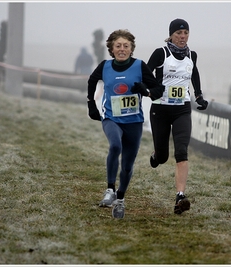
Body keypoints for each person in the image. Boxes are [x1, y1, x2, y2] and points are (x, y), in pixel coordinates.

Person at [87, 29, 164, 219]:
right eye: (118, 46)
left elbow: (158, 90)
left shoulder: (139, 66)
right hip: (111, 118)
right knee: (115, 145)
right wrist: (91, 104)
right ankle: (110, 189)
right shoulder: (105, 66)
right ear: (112, 49)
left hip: (134, 122)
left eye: (126, 46)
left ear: (131, 49)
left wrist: (145, 90)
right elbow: (91, 80)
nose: (122, 49)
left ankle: (120, 199)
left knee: (128, 166)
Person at [146, 18, 208, 215]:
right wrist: (151, 90)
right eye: (178, 33)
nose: (182, 37)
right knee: (163, 156)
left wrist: (198, 95)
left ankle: (180, 196)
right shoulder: (160, 53)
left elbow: (194, 73)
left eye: (186, 33)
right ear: (171, 35)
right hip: (160, 110)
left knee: (181, 151)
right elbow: (145, 74)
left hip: (182, 109)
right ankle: (156, 155)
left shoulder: (192, 55)